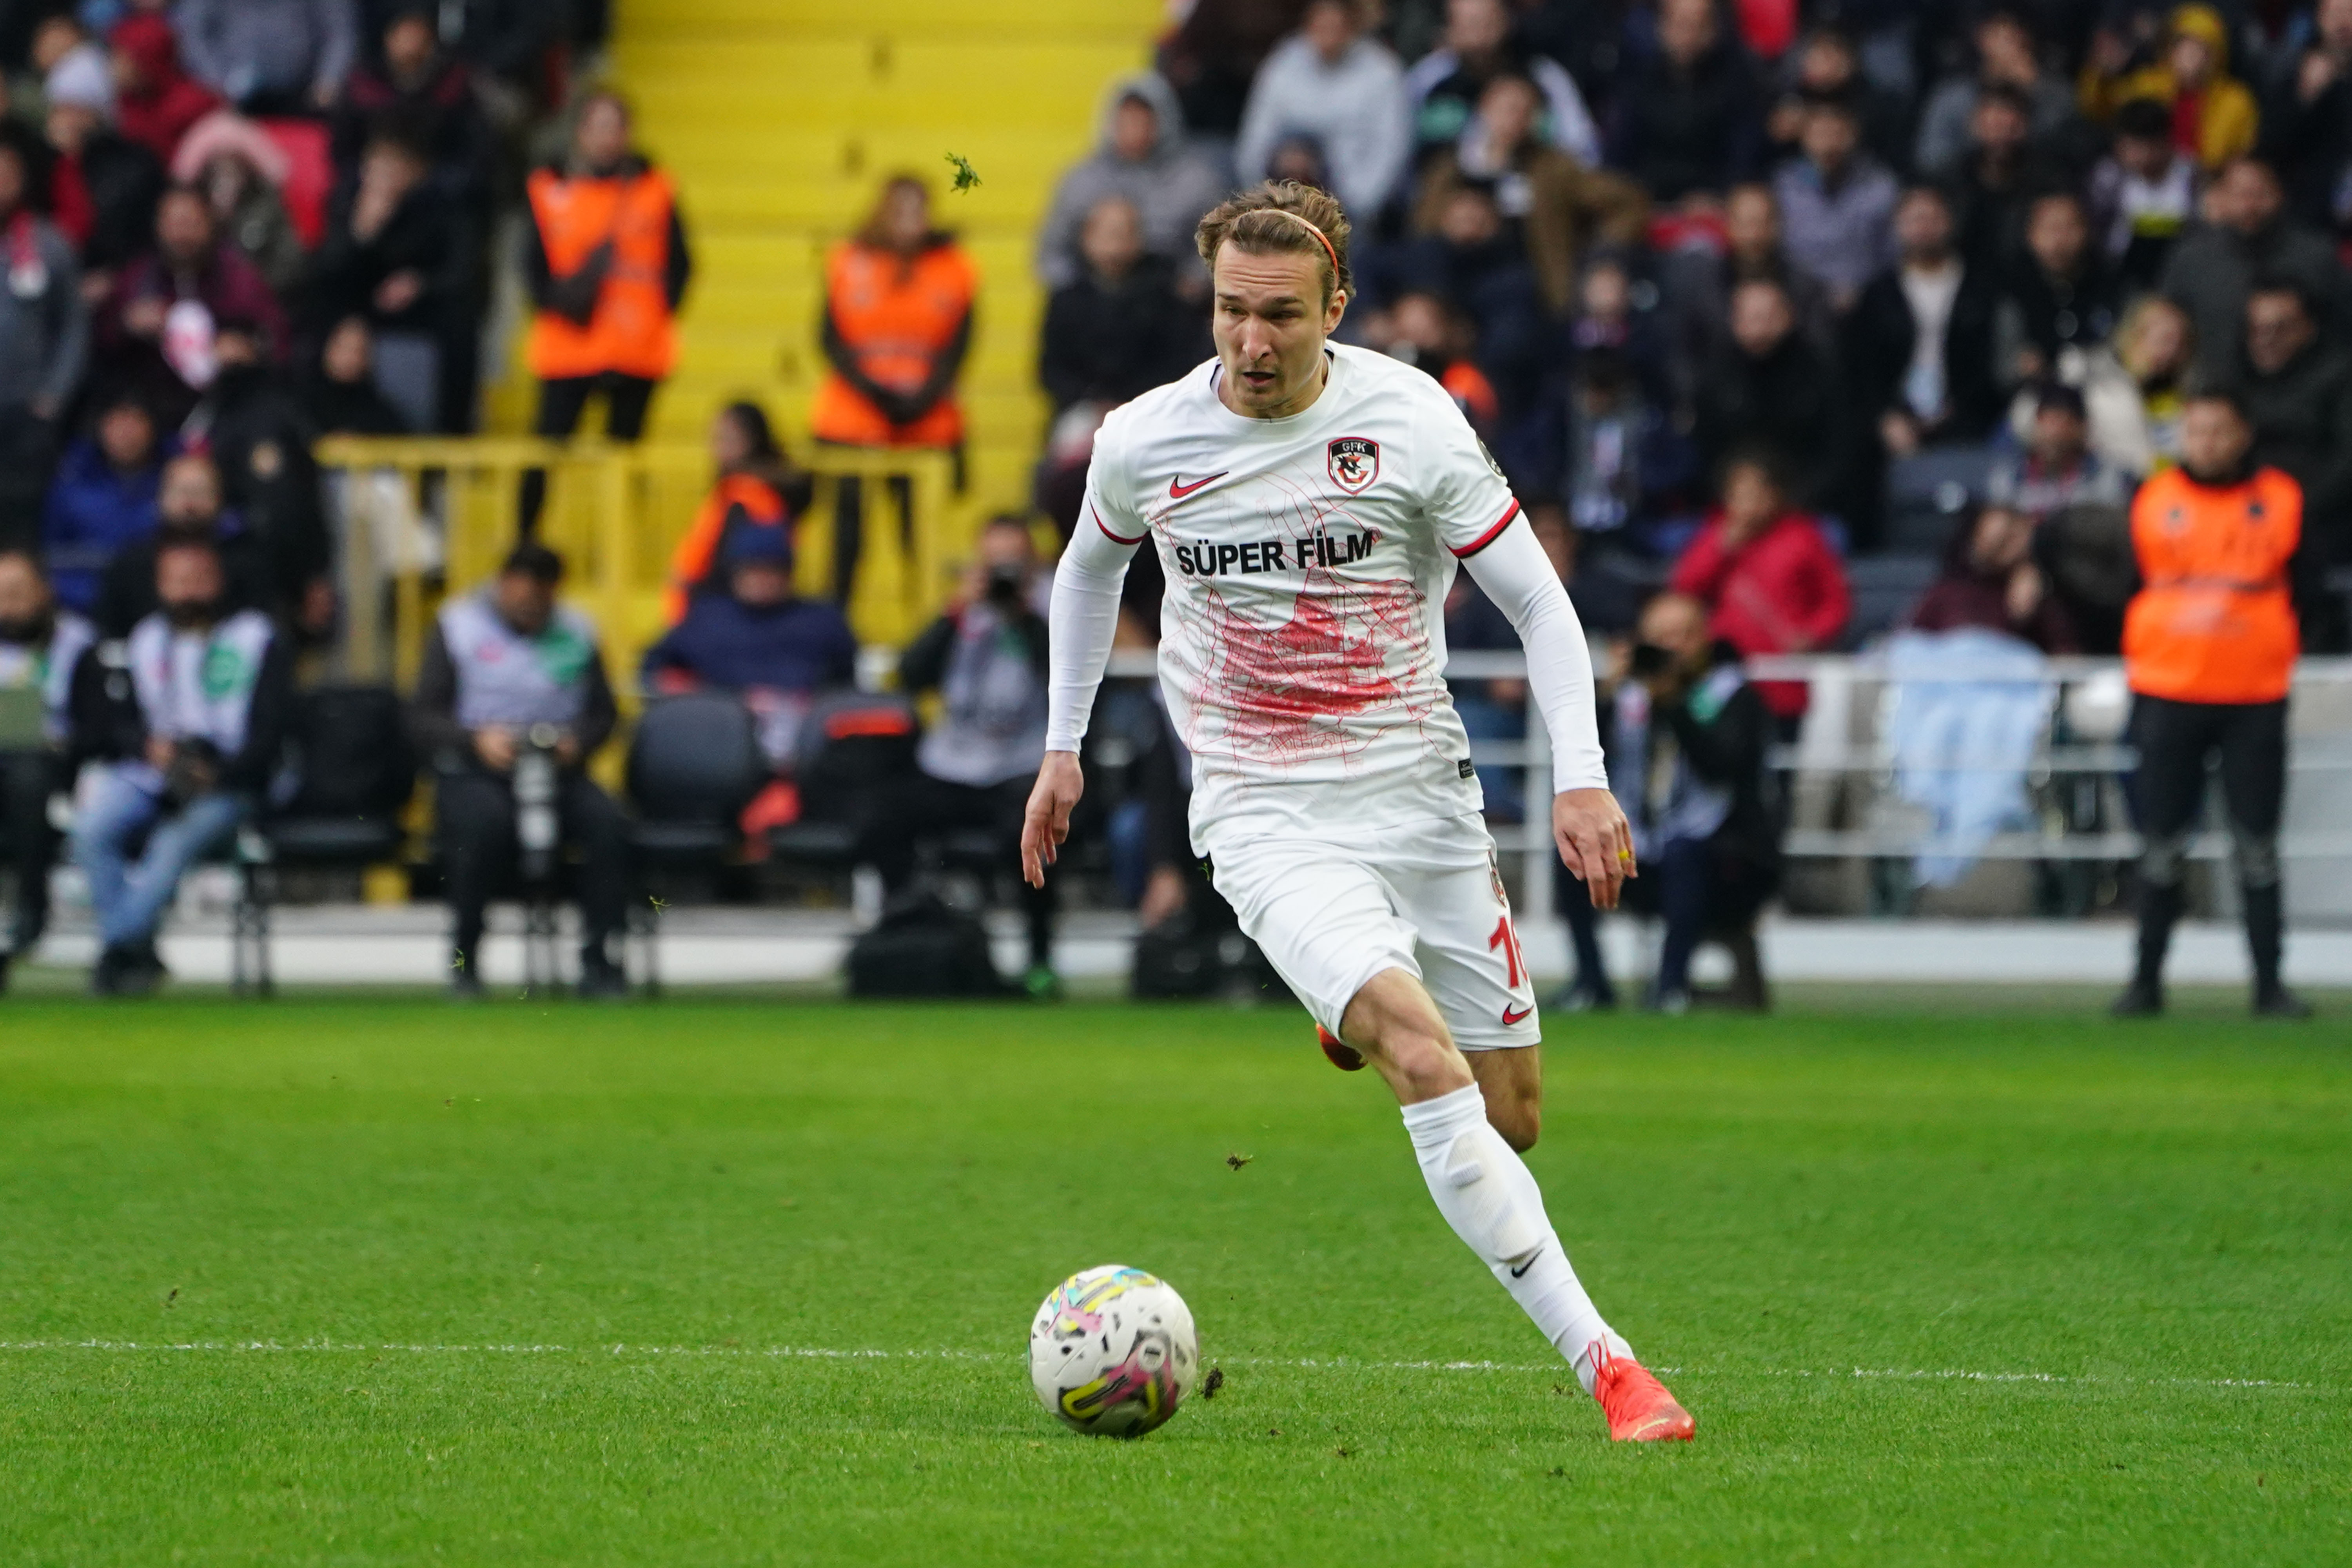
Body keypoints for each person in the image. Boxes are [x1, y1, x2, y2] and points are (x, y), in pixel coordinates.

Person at [1024, 180, 1696, 1442]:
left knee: (1511, 1120)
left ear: (1336, 304)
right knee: (1423, 1060)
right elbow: (1083, 569)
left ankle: (1349, 1013)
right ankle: (1610, 1366)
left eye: (1280, 315)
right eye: (1230, 311)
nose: (1251, 342)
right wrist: (1059, 746)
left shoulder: (1411, 422)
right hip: (1262, 805)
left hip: (1419, 793)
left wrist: (1581, 768)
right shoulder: (1145, 439)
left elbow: (1540, 607)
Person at [2114, 390, 2312, 1019]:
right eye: (2196, 432)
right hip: (2169, 690)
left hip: (2254, 694)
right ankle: (2145, 984)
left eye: (2219, 431)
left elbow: (2307, 583)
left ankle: (2269, 987)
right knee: (2161, 843)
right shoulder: (2156, 500)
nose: (2207, 444)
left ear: (2243, 434)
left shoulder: (2280, 499)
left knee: (2257, 845)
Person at [66, 533, 291, 995]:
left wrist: (222, 773)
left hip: (230, 779)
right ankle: (134, 949)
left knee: (171, 845)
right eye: (177, 580)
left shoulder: (256, 639)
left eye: (199, 578)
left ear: (220, 581)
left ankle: (117, 949)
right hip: (155, 773)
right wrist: (149, 748)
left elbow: (272, 733)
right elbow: (122, 723)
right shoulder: (145, 639)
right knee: (91, 830)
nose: (188, 591)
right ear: (160, 584)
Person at [409, 542, 629, 999]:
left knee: (608, 824)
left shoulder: (575, 631)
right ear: (503, 584)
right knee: (482, 825)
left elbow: (605, 714)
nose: (531, 607)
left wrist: (578, 743)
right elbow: (424, 715)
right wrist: (475, 739)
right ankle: (465, 961)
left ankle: (599, 960)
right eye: (522, 595)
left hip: (557, 770)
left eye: (541, 599)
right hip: (477, 769)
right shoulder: (459, 627)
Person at [861, 516, 1058, 995]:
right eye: (994, 563)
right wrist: (956, 612)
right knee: (882, 821)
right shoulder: (962, 612)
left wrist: (1021, 613)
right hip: (952, 764)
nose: (1002, 574)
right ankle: (905, 935)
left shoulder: (1054, 604)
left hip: (1019, 765)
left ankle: (1039, 958)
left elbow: (1062, 671)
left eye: (1012, 562)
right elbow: (910, 675)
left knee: (1035, 836)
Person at [1557, 591, 1778, 1013]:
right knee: (1571, 851)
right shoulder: (1630, 701)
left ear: (1706, 639)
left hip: (1727, 862)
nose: (1672, 649)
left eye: (1684, 637)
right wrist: (1605, 697)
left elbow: (1722, 766)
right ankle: (1591, 983)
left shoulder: (1733, 695)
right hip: (1645, 852)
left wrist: (1674, 704)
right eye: (1661, 638)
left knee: (1685, 852)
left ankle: (1671, 988)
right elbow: (1590, 761)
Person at [519, 91, 693, 532]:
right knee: (545, 455)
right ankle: (525, 545)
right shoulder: (548, 188)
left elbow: (681, 264)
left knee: (624, 461)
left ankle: (616, 549)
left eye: (615, 127)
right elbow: (533, 270)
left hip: (636, 347)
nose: (607, 138)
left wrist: (654, 314)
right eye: (598, 126)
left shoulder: (657, 189)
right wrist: (565, 303)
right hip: (569, 345)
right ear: (581, 132)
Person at [809, 176, 975, 603]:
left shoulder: (955, 267)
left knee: (919, 540)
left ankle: (923, 635)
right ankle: (838, 631)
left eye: (919, 210)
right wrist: (876, 394)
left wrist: (919, 401)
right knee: (848, 538)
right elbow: (829, 339)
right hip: (853, 421)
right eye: (900, 209)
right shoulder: (847, 261)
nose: (910, 221)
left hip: (925, 423)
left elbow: (958, 348)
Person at [1409, 71, 1649, 318]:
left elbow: (1627, 201)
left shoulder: (1553, 168)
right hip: (1455, 275)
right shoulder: (1450, 166)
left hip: (1524, 282)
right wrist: (1453, 222)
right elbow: (1421, 222)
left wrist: (1601, 260)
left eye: (1526, 112)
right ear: (1485, 108)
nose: (1515, 119)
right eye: (1508, 109)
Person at [642, 526, 855, 768]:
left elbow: (846, 686)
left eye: (770, 570)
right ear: (735, 573)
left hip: (805, 746)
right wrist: (713, 702)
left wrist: (808, 705)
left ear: (788, 574)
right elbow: (655, 673)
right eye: (752, 570)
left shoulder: (821, 621)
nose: (760, 580)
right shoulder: (706, 618)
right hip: (719, 742)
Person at [308, 126, 474, 432]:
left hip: (418, 323)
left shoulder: (439, 210)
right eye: (377, 167)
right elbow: (327, 276)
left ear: (416, 173)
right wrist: (361, 233)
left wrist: (420, 285)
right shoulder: (345, 203)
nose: (385, 178)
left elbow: (461, 272)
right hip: (354, 319)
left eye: (395, 168)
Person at [1668, 451, 1851, 725]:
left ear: (1775, 493)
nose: (1749, 502)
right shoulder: (1716, 535)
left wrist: (1813, 635)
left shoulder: (1802, 536)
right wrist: (1722, 547)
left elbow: (1836, 602)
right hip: (1725, 675)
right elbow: (1684, 588)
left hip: (1782, 677)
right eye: (1740, 493)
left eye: (1757, 491)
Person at [94, 182, 288, 426]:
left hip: (226, 407)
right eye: (174, 224)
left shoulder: (240, 277)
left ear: (210, 224)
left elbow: (278, 336)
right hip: (152, 412)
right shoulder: (138, 277)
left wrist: (250, 350)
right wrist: (126, 323)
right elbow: (101, 337)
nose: (182, 235)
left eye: (192, 224)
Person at [1845, 185, 2005, 466]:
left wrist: (1960, 413)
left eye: (1933, 218)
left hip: (1968, 421)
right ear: (1898, 227)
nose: (1924, 228)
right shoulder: (1879, 294)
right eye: (1915, 219)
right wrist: (1886, 417)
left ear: (1949, 223)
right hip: (1895, 423)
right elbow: (1862, 368)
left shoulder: (1981, 289)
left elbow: (1991, 359)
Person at [1033, 72, 1227, 296]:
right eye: (1126, 120)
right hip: (1095, 299)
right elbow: (1051, 254)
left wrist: (1191, 285)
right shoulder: (1080, 181)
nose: (1134, 130)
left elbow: (1218, 247)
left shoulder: (1196, 182)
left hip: (1169, 301)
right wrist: (1078, 293)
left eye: (1143, 120)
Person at [0, 550, 96, 990]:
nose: (8, 605)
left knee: (28, 769)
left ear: (45, 592)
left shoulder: (78, 642)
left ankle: (30, 909)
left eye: (18, 593)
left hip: (58, 771)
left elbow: (98, 721)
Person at [2160, 156, 2341, 383]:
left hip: (2303, 398)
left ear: (2280, 194)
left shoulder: (2316, 257)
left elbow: (2341, 333)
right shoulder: (2190, 259)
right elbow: (2167, 328)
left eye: (2259, 194)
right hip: (2214, 394)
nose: (2249, 207)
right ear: (2221, 197)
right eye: (2239, 195)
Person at [1235, 0, 1412, 221]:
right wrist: (1258, 192)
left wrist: (1357, 205)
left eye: (1336, 27)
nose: (1328, 35)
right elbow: (1256, 135)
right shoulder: (1285, 59)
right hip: (1279, 194)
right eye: (1321, 26)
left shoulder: (1382, 70)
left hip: (1348, 201)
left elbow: (1390, 148)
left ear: (1352, 27)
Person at [1690, 278, 1849, 515]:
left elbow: (1838, 450)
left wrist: (1794, 502)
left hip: (1805, 507)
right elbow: (1704, 451)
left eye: (1768, 317)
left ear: (1789, 317)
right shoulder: (1716, 376)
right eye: (1751, 318)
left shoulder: (1819, 373)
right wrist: (1740, 502)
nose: (1760, 328)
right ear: (1735, 321)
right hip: (1734, 508)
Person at [1038, 195, 1205, 415]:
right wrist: (1092, 402)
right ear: (1086, 237)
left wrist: (1133, 402)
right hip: (1082, 411)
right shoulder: (1067, 300)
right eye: (1107, 234)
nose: (1115, 244)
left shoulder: (1166, 296)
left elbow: (1178, 362)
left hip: (1154, 410)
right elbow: (1052, 370)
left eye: (1123, 234)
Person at [2237, 281, 2352, 594]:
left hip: (2322, 524)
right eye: (2257, 329)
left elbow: (2347, 462)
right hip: (2241, 525)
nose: (2266, 340)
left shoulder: (2339, 377)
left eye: (2280, 328)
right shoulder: (2233, 380)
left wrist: (2293, 510)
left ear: (2308, 329)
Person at [0, 137, 87, 550]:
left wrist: (54, 394)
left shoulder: (50, 245)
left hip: (29, 411)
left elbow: (73, 326)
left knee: (25, 517)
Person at [94, 450, 271, 636]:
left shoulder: (247, 566)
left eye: (200, 492)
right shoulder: (130, 565)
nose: (190, 505)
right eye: (181, 492)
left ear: (220, 500)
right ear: (161, 498)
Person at [1405, 0, 1601, 167]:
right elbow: (1400, 148)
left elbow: (1581, 147)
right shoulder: (1427, 79)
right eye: (1469, 26)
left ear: (1506, 22)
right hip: (1446, 199)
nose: (1479, 37)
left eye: (1487, 24)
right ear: (1449, 30)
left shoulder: (1544, 76)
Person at [1604, 0, 1763, 204]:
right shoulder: (1640, 82)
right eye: (1680, 24)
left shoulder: (1737, 83)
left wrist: (1718, 197)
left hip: (1713, 204)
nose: (1688, 36)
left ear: (1714, 29)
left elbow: (1743, 157)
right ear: (1662, 26)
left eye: (1698, 26)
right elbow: (1619, 155)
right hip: (1647, 202)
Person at [662, 400, 805, 623]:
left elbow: (738, 563)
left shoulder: (749, 495)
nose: (718, 448)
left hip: (716, 612)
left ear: (752, 440)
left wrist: (695, 594)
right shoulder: (736, 489)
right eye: (716, 439)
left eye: (727, 439)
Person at [2079, 5, 2257, 172]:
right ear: (2169, 50)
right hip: (2147, 178)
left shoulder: (2237, 100)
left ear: (2217, 55)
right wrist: (2101, 75)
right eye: (2183, 46)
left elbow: (2241, 154)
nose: (2191, 56)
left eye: (2201, 48)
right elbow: (2099, 109)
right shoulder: (2147, 85)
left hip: (2209, 183)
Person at [1770, 89, 1899, 313]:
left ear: (1854, 136)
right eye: (1820, 134)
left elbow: (1892, 251)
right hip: (1800, 301)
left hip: (1869, 298)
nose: (1829, 145)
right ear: (1804, 138)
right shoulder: (1784, 186)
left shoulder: (1881, 187)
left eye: (1837, 134)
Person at [41, 387, 163, 613]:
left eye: (137, 421)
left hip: (159, 606)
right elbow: (54, 557)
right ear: (101, 426)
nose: (127, 433)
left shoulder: (174, 477)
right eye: (118, 421)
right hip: (83, 608)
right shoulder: (71, 482)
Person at [1907, 504, 2080, 653]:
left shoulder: (2042, 592)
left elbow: (2067, 658)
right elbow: (1906, 646)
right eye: (1994, 538)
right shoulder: (1948, 592)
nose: (1999, 545)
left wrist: (2027, 616)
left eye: (2011, 537)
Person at [170, 111, 307, 298]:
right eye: (216, 166)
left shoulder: (267, 208)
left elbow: (290, 264)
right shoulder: (191, 213)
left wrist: (251, 292)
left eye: (234, 163)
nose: (226, 176)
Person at [2000, 191, 2121, 388]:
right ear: (2030, 235)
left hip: (2103, 389)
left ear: (2086, 232)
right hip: (2037, 397)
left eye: (2069, 227)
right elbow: (2002, 368)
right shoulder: (2012, 288)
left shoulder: (2112, 282)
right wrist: (2020, 366)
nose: (2060, 240)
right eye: (2051, 228)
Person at [174, 0, 358, 116]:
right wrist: (216, 83)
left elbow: (339, 33)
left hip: (304, 97)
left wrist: (329, 80)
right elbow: (191, 36)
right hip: (228, 99)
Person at [2090, 96, 2197, 291]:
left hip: (2181, 274)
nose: (2143, 157)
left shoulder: (2190, 176)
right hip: (2123, 276)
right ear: (2119, 146)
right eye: (2133, 148)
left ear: (2167, 142)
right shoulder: (2108, 179)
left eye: (2150, 147)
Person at [1985, 384, 2131, 527]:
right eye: (2044, 421)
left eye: (2061, 423)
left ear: (2081, 427)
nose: (2052, 433)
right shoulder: (2009, 477)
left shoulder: (2105, 477)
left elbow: (2107, 531)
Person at [106, 14, 221, 165]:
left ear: (147, 61)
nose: (113, 68)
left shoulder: (195, 105)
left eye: (123, 60)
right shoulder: (128, 105)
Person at [307, 314, 409, 434]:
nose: (350, 358)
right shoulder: (301, 405)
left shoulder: (379, 412)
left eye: (358, 351)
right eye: (344, 348)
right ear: (328, 349)